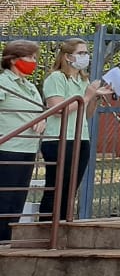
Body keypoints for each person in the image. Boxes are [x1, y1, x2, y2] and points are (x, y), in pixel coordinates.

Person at [40, 39, 97, 221]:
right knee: (56, 189)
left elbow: (86, 112)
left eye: (86, 53)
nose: (85, 57)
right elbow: (58, 110)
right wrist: (85, 96)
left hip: (81, 137)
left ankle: (63, 226)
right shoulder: (56, 78)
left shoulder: (82, 80)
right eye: (81, 53)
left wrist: (94, 97)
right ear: (67, 56)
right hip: (59, 139)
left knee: (70, 190)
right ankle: (47, 227)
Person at [0, 40, 45, 242]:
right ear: (13, 60)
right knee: (4, 200)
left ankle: (8, 243)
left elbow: (39, 111)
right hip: (8, 148)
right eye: (29, 57)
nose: (33, 62)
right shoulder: (4, 83)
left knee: (17, 202)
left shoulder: (31, 87)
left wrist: (42, 119)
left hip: (28, 148)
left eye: (35, 58)